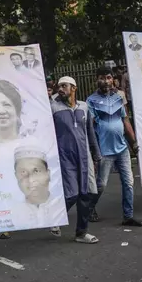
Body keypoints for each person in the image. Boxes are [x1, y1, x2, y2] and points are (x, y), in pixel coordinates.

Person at [87, 69, 142, 227]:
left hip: (122, 149)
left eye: (108, 78)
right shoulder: (91, 100)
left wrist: (133, 142)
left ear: (113, 80)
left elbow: (125, 120)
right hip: (104, 150)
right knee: (101, 184)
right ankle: (89, 208)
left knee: (128, 183)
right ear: (96, 80)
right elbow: (91, 126)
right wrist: (93, 150)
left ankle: (128, 216)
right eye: (102, 78)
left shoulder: (119, 97)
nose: (106, 81)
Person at [50, 76, 101, 244]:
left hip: (84, 156)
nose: (60, 89)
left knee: (88, 194)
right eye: (59, 86)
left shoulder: (84, 107)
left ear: (74, 88)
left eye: (64, 86)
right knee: (72, 194)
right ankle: (55, 218)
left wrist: (96, 153)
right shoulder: (53, 108)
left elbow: (90, 132)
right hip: (65, 157)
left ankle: (81, 233)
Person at [11, 146, 67, 230]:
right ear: (16, 176)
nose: (30, 180)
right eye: (23, 172)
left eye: (36, 171)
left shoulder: (59, 207)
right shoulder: (13, 213)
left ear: (48, 173)